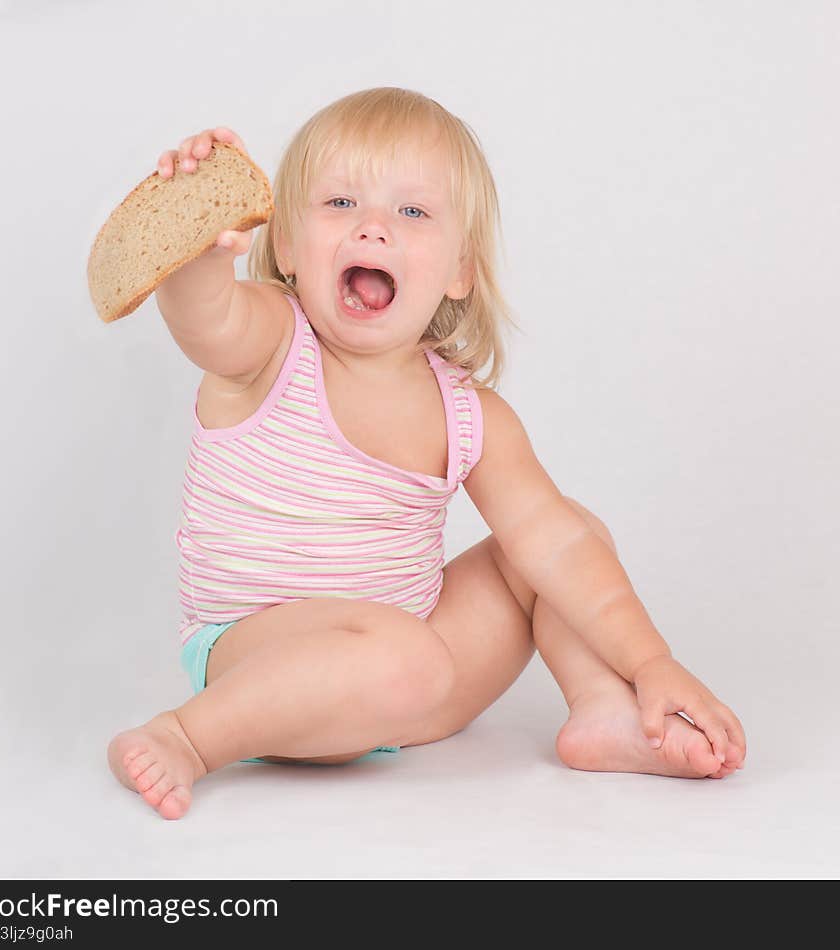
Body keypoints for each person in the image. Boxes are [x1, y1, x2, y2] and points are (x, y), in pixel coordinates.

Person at [106, 87, 746, 820]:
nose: (373, 229)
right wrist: (196, 244)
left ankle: (601, 708)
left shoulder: (470, 413)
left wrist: (650, 662)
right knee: (403, 655)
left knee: (567, 533)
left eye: (412, 213)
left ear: (458, 270)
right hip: (256, 667)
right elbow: (204, 320)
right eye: (340, 203)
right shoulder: (271, 344)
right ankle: (187, 738)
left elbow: (557, 549)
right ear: (285, 244)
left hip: (414, 687)